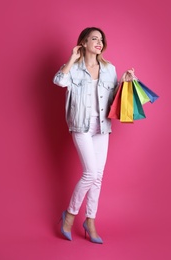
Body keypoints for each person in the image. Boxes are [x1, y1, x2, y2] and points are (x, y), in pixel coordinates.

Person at [53, 27, 135, 244]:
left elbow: (113, 97)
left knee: (98, 176)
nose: (99, 42)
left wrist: (124, 82)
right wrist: (72, 58)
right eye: (94, 39)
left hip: (102, 127)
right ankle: (69, 216)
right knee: (90, 173)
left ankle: (90, 220)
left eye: (101, 39)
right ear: (83, 42)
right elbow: (59, 81)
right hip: (81, 126)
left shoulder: (109, 69)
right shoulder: (73, 69)